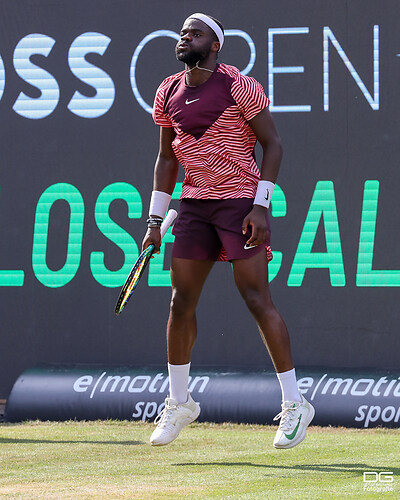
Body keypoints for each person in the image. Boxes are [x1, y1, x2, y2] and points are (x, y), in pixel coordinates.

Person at [142, 12, 314, 449]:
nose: (186, 37)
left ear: (215, 45)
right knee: (180, 302)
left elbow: (273, 144)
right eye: (182, 32)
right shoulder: (167, 91)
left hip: (240, 203)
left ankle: (295, 404)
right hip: (195, 206)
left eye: (195, 33)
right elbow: (167, 160)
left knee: (257, 298)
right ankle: (180, 402)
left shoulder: (239, 84)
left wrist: (261, 205)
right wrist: (155, 219)